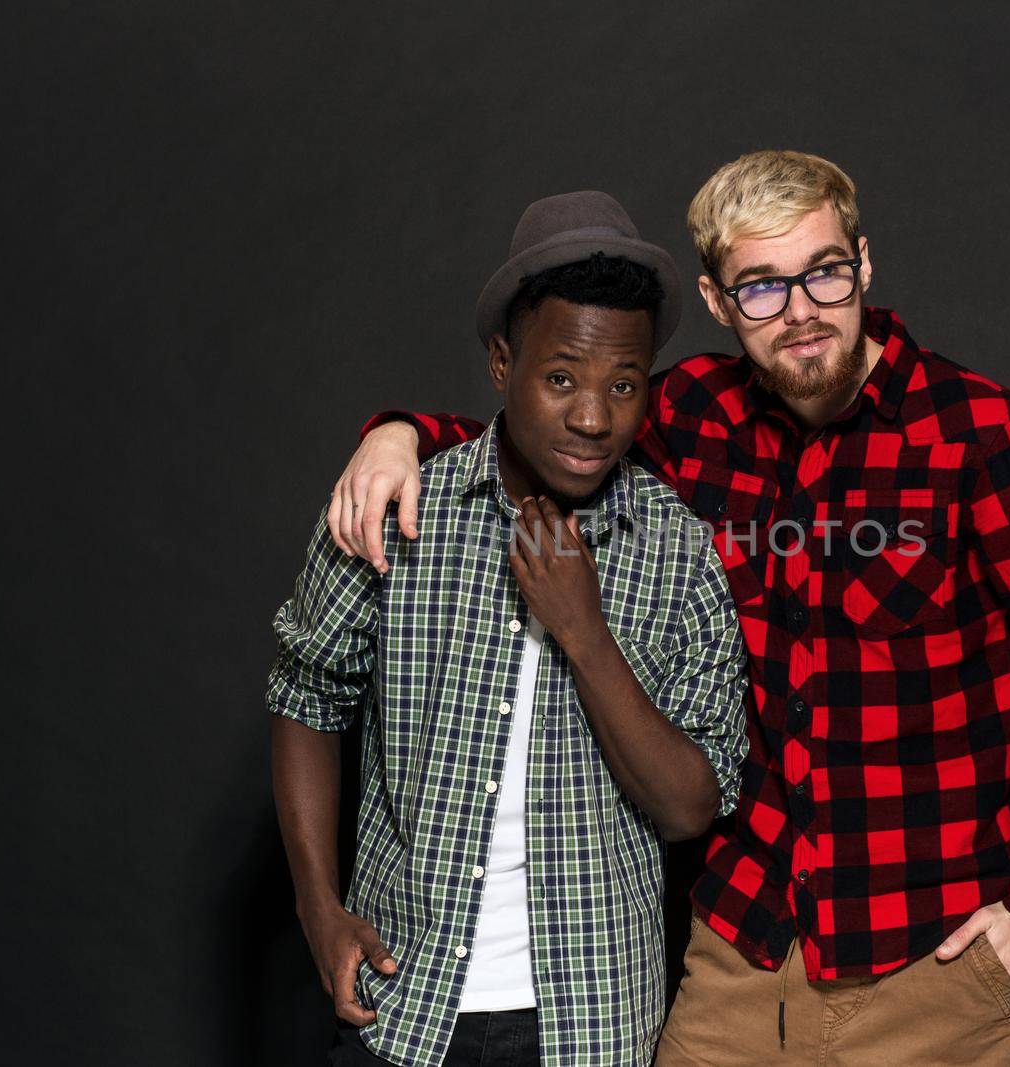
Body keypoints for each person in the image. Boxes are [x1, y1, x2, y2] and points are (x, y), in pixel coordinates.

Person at [328, 151, 1010, 1065]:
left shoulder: (993, 443)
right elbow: (557, 427)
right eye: (762, 286)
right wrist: (403, 434)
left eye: (824, 272)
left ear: (865, 265)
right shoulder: (692, 416)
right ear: (721, 304)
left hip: (931, 971)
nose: (801, 308)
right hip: (740, 955)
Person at [266, 191, 750, 1067]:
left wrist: (584, 630)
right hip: (403, 1007)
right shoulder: (397, 511)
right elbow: (305, 691)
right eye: (561, 377)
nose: (594, 417)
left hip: (592, 1023)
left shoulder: (678, 551)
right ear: (501, 361)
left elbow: (692, 805)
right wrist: (316, 905)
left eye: (624, 385)